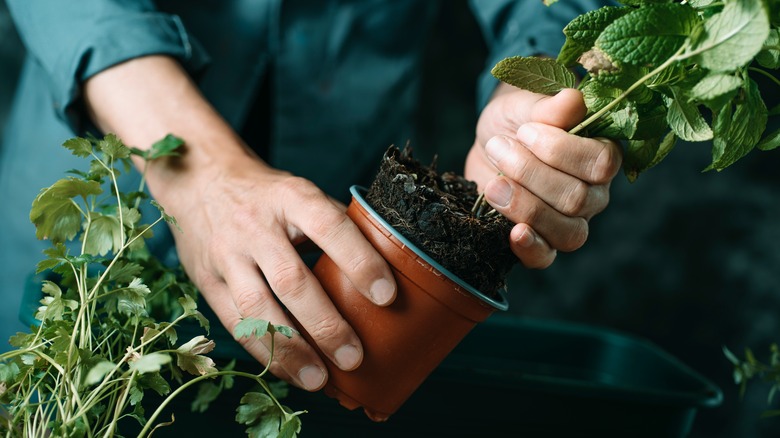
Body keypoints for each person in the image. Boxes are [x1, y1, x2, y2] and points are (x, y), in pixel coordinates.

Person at [0, 0, 619, 392]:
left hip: (349, 254)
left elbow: (560, 11)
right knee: (60, 384)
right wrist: (196, 168)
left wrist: (541, 96)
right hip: (98, 201)